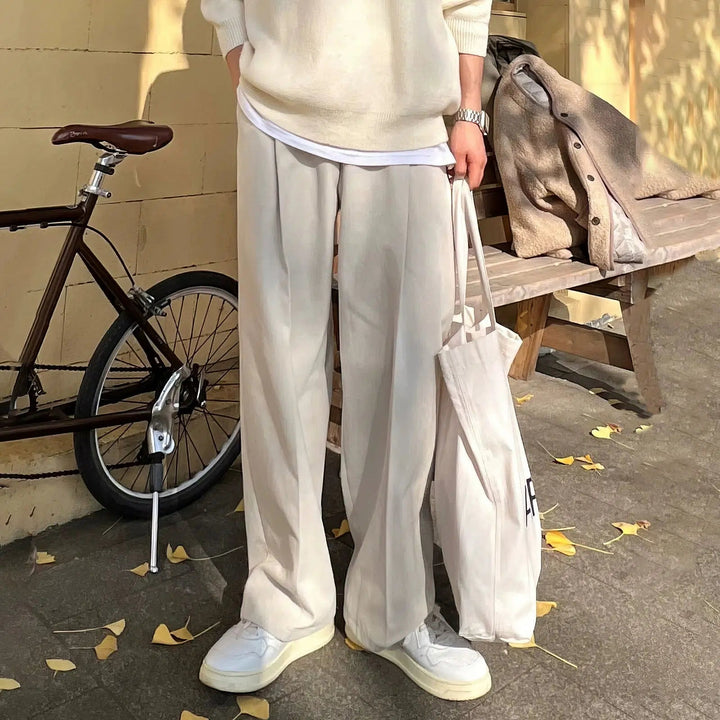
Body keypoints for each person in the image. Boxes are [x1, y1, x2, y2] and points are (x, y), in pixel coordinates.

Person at [199, 0, 493, 702]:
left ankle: (394, 608)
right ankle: (284, 601)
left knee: (404, 379)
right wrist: (241, 57)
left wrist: (469, 110)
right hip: (278, 111)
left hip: (410, 124)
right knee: (278, 366)